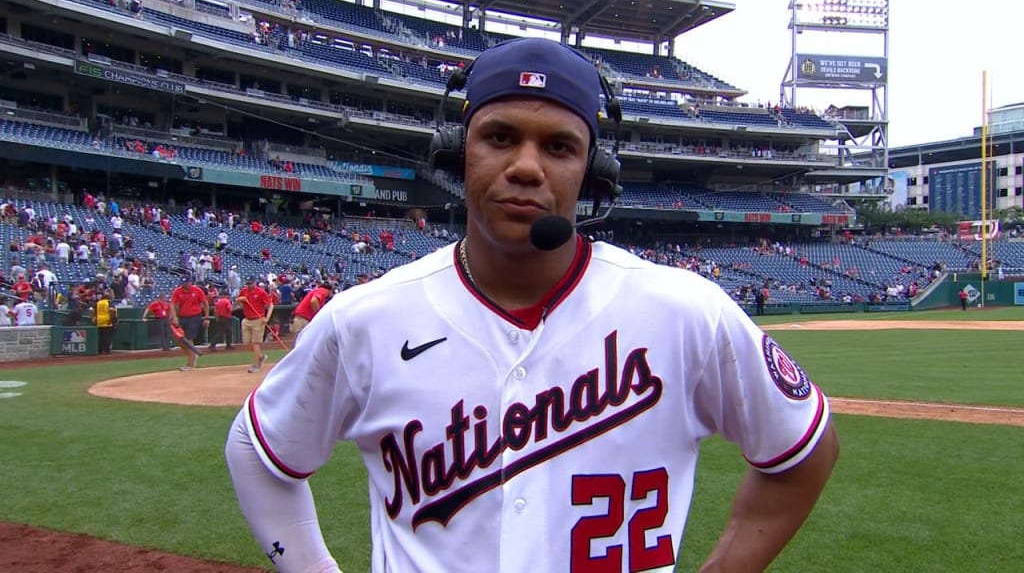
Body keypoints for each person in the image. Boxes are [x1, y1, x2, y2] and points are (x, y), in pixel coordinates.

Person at [226, 38, 839, 573]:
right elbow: (257, 449)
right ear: (459, 151)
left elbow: (806, 448)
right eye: (499, 137)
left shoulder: (684, 312)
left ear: (592, 172)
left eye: (559, 147)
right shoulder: (366, 319)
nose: (525, 166)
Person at [170, 275, 208, 371]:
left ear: (191, 282)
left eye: (187, 283)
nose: (185, 285)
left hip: (194, 316)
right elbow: (172, 304)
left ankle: (190, 363)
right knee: (179, 338)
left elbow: (205, 303)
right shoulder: (178, 291)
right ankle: (192, 354)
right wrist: (174, 317)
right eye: (183, 283)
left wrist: (206, 318)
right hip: (182, 316)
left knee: (188, 338)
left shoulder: (197, 290)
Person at [236, 277, 273, 373]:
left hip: (258, 319)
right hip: (247, 319)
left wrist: (267, 318)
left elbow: (270, 305)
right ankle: (260, 357)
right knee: (247, 343)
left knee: (255, 343)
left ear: (255, 283)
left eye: (251, 283)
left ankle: (255, 365)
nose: (249, 285)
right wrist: (240, 299)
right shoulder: (244, 291)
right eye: (248, 284)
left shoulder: (261, 292)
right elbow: (237, 300)